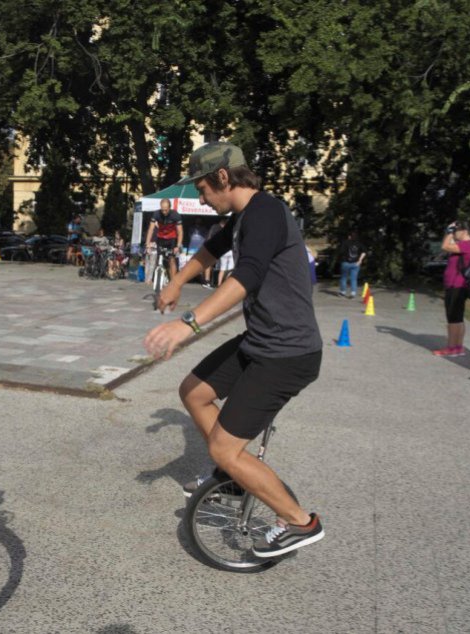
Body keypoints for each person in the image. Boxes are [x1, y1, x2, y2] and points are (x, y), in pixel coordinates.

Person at [143, 141, 324, 559]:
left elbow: (247, 276)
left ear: (223, 177)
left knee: (223, 446)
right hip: (260, 342)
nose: (202, 199)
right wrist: (175, 282)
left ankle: (300, 522)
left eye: (204, 190)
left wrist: (187, 324)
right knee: (194, 391)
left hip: (287, 354)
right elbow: (210, 251)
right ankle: (236, 476)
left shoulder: (266, 213)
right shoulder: (244, 216)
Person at [435, 220, 470, 357]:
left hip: (456, 285)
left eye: (456, 231)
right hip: (457, 285)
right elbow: (448, 244)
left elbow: (445, 246)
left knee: (452, 318)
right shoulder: (464, 245)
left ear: (465, 231)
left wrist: (449, 231)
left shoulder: (467, 245)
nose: (454, 234)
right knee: (458, 318)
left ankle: (451, 348)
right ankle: (458, 347)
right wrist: (451, 231)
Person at [145, 199, 184, 279]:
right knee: (160, 259)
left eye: (166, 210)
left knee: (171, 259)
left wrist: (178, 245)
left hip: (172, 239)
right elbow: (151, 229)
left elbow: (180, 231)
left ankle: (173, 282)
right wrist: (147, 243)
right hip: (161, 238)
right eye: (162, 210)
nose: (164, 212)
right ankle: (160, 276)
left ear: (170, 208)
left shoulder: (175, 215)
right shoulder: (156, 214)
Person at [337, 231, 366, 298]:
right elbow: (364, 252)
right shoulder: (359, 243)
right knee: (354, 279)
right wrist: (360, 260)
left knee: (344, 278)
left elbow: (341, 252)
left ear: (349, 236)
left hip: (345, 263)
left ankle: (343, 292)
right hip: (356, 263)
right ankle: (353, 293)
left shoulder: (345, 242)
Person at [213, 218, 234, 286]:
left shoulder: (221, 232)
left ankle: (219, 284)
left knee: (222, 268)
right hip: (230, 251)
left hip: (223, 252)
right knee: (230, 269)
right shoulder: (233, 231)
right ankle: (226, 284)